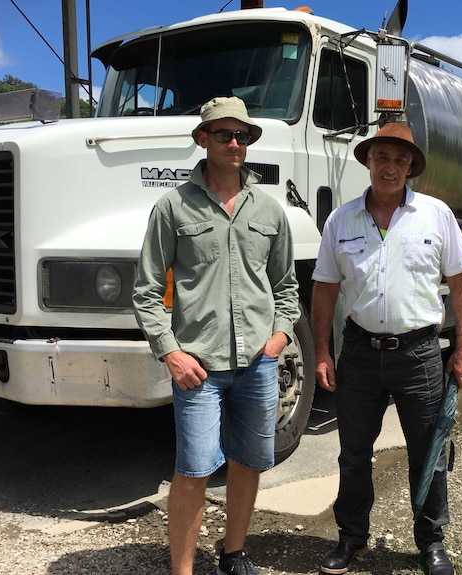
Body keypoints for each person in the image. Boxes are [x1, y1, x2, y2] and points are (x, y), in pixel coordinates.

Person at [133, 96, 300, 575]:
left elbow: (286, 286)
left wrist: (280, 336)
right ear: (202, 140)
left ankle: (234, 553)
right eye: (224, 134)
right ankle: (182, 571)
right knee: (194, 471)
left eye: (241, 135)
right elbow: (146, 291)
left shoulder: (269, 211)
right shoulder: (171, 208)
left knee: (248, 463)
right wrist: (170, 353)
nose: (234, 143)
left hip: (258, 365)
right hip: (198, 370)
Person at [311, 122, 462, 575]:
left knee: (429, 450)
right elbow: (324, 290)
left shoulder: (436, 215)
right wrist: (322, 352)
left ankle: (431, 542)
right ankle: (350, 538)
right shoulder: (340, 220)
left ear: (411, 168)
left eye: (400, 160)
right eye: (382, 157)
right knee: (353, 453)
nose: (390, 167)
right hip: (360, 355)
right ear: (368, 162)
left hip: (420, 354)